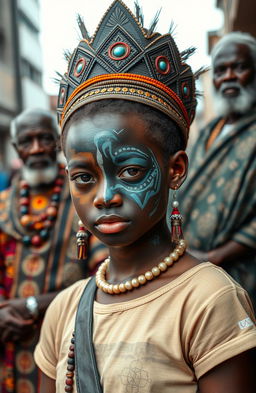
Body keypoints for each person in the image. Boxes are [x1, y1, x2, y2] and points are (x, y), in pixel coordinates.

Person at [34, 3, 256, 393]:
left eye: (131, 171)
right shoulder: (64, 309)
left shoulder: (210, 302)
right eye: (84, 176)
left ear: (175, 169)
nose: (105, 197)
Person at [0, 108, 108, 393]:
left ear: (59, 142)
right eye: (27, 141)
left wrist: (34, 306)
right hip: (10, 340)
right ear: (16, 149)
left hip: (68, 336)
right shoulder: (2, 205)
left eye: (44, 139)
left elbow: (105, 275)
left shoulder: (85, 199)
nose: (36, 149)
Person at [179, 31, 256, 311]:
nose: (229, 77)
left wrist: (216, 256)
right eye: (221, 70)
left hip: (242, 272)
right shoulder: (210, 130)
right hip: (193, 268)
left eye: (240, 67)